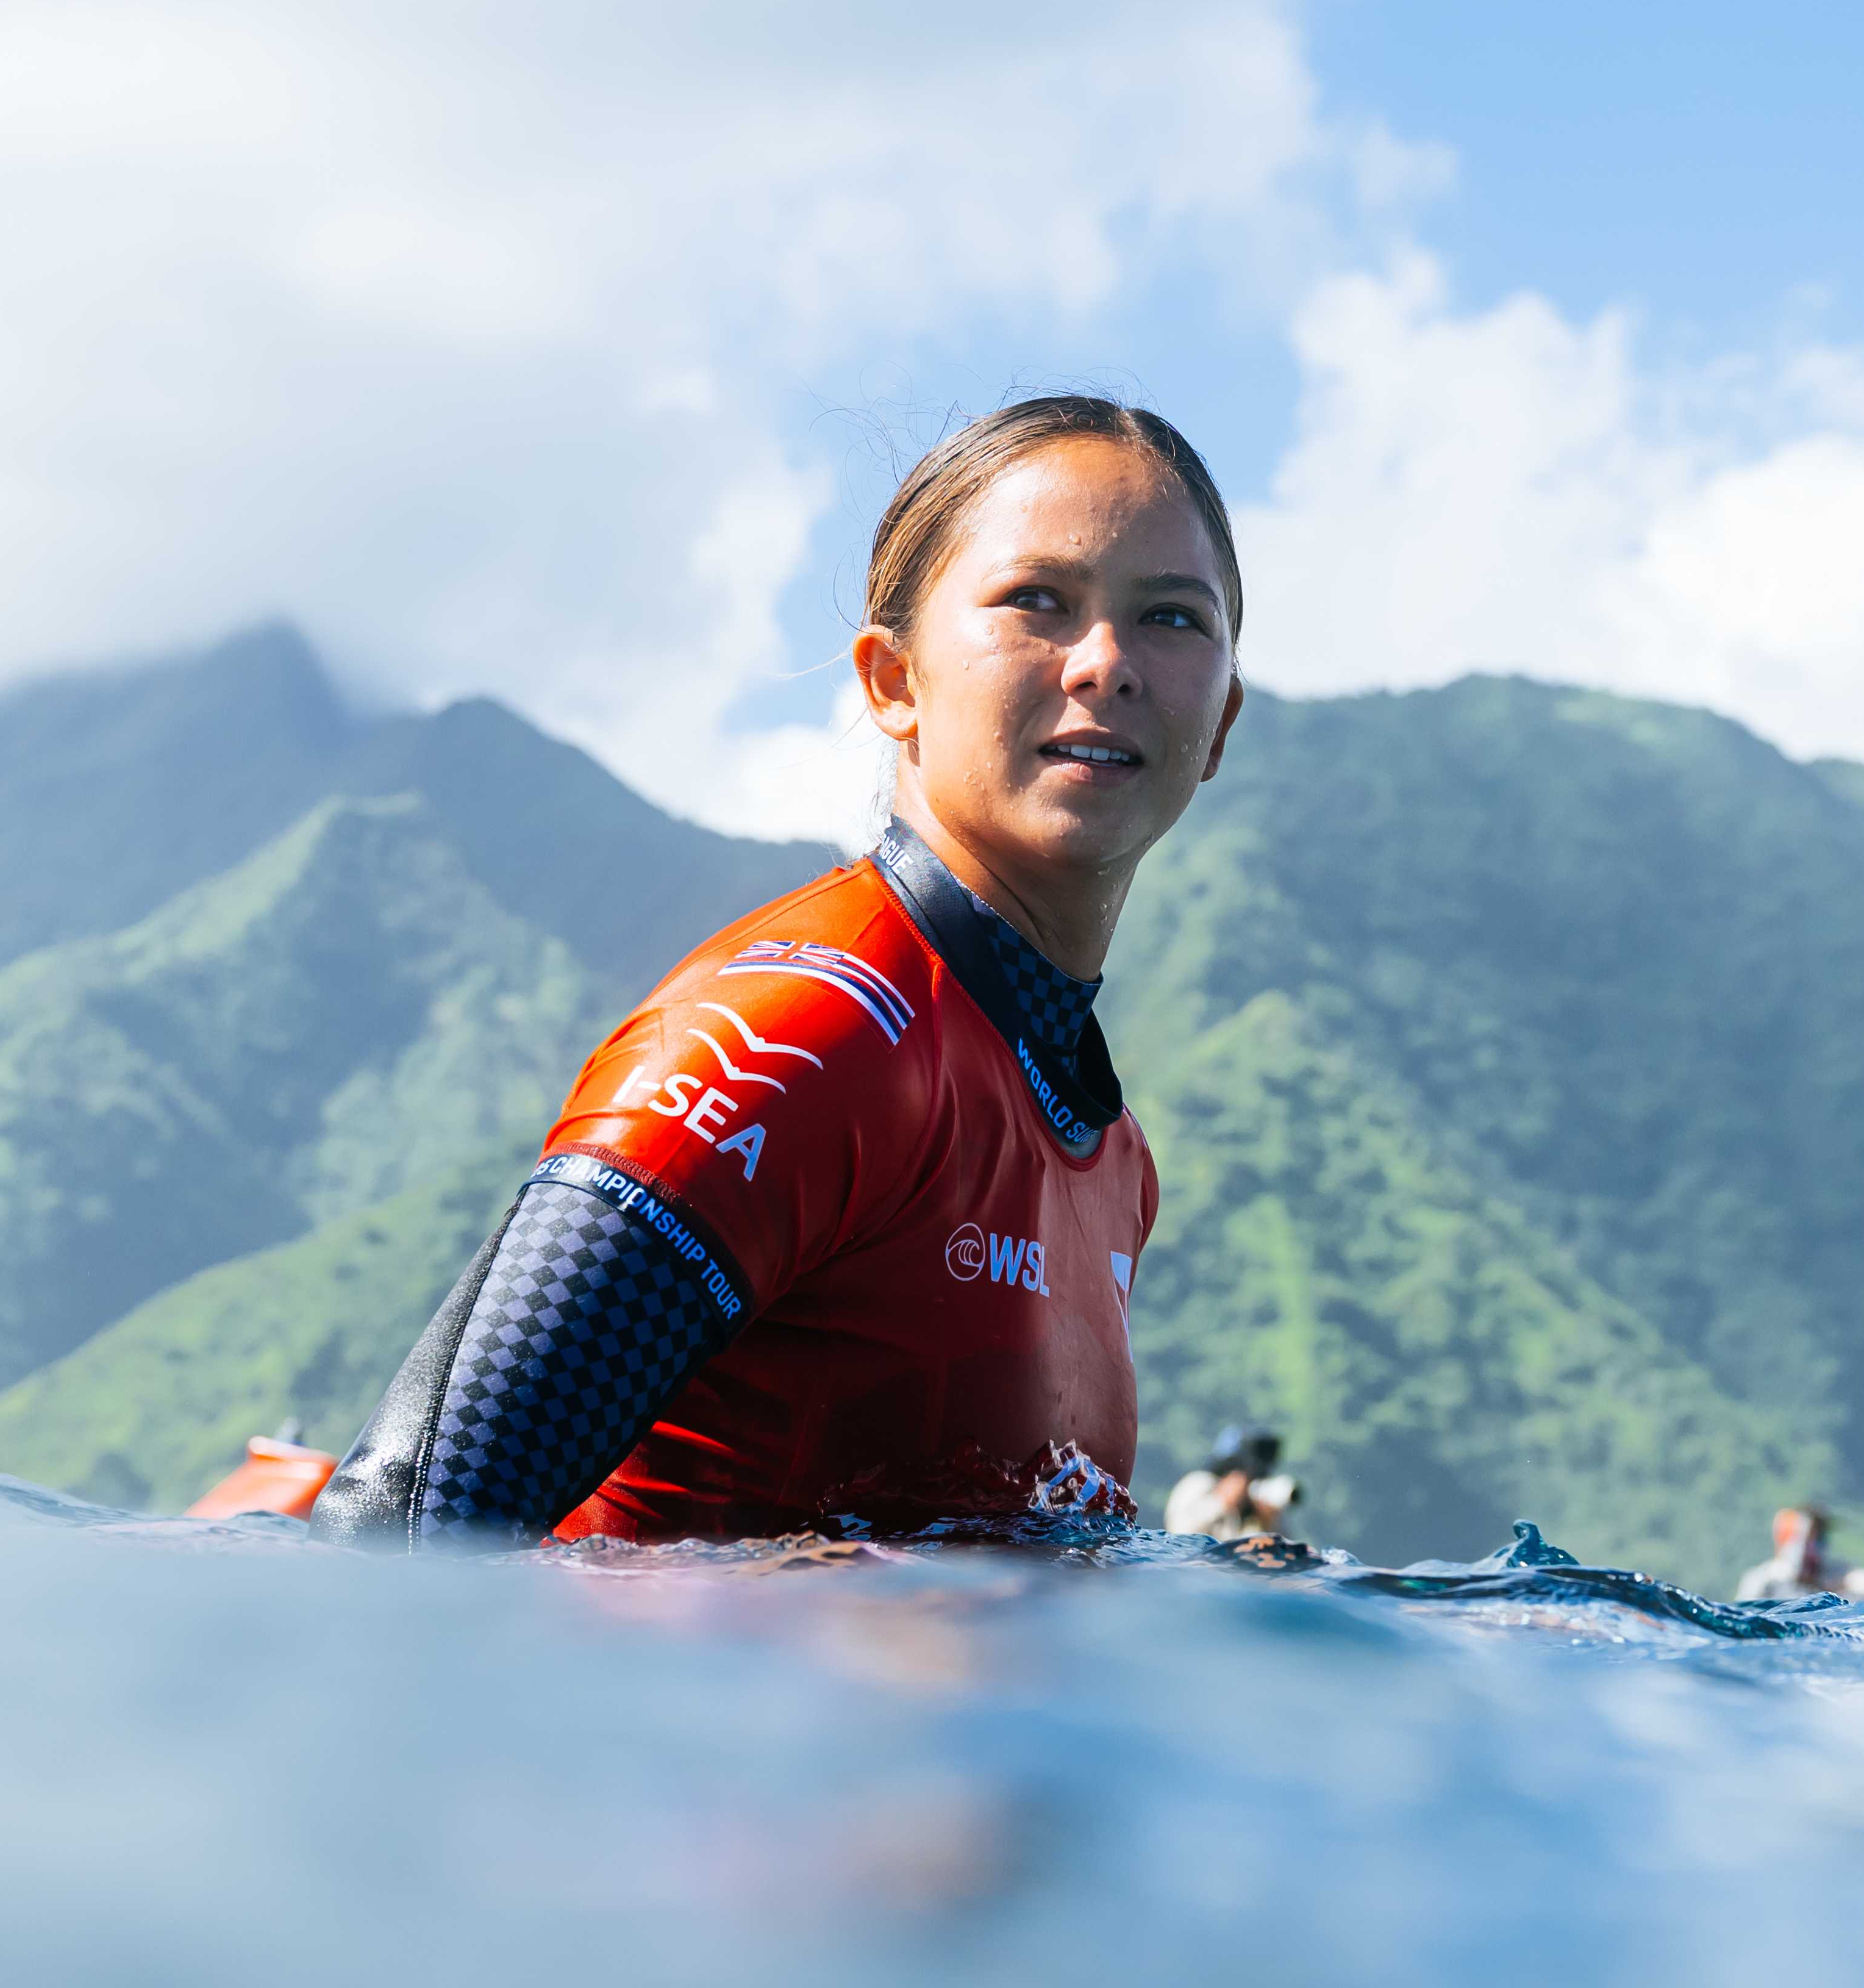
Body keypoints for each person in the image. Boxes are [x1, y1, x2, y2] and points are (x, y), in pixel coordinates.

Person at [310, 396, 1246, 1546]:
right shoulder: (803, 1034)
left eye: (1170, 617)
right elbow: (400, 1530)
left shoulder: (1113, 1156)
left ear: (1224, 721)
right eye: (1036, 601)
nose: (1106, 663)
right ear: (892, 681)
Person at [1734, 1504, 1864, 1600]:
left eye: (1820, 1537)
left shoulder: (1837, 1575)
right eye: (1808, 1540)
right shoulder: (1764, 1580)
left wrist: (1836, 1587)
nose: (1816, 1548)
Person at [1162, 1425, 1299, 1540]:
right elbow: (1178, 1532)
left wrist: (1269, 1524)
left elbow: (1279, 1561)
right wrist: (1220, 1502)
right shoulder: (1200, 1484)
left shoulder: (1259, 1509)